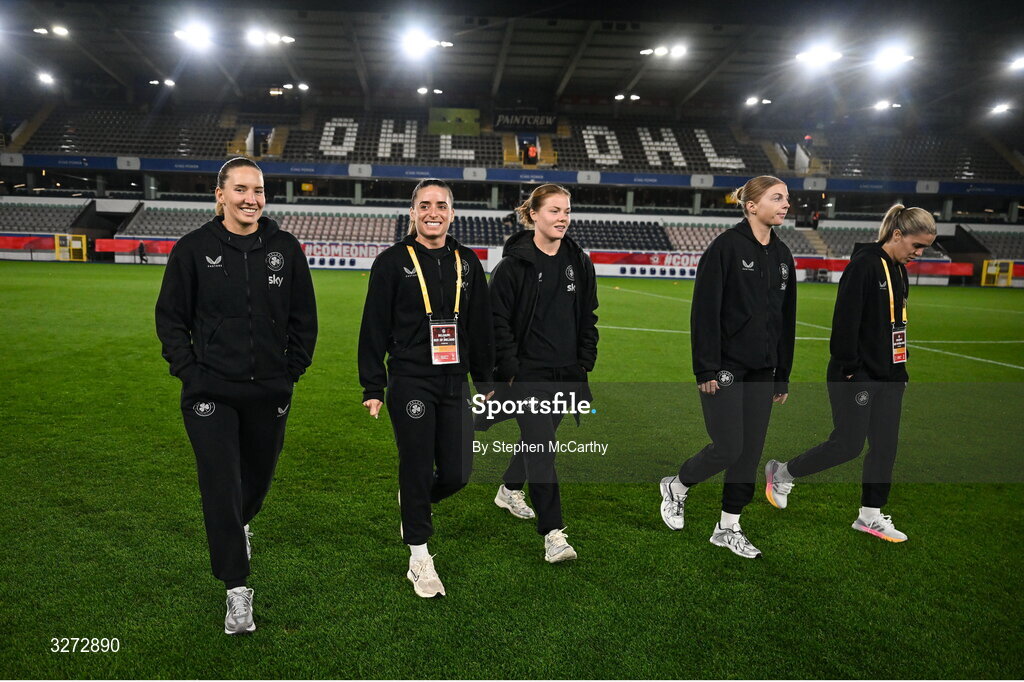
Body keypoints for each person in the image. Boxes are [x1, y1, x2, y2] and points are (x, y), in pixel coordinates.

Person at [155, 157, 318, 634]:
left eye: (259, 190)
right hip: (211, 392)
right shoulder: (192, 249)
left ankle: (242, 521)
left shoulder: (285, 248)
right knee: (221, 485)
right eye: (242, 189)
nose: (252, 199)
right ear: (220, 194)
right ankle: (236, 589)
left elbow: (303, 318)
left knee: (256, 481)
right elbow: (170, 319)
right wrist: (191, 372)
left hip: (269, 389)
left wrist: (289, 371)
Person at [764, 205, 936, 542]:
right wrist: (849, 368)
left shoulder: (899, 270)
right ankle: (782, 473)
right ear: (897, 234)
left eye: (924, 248)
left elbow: (894, 323)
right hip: (855, 374)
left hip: (890, 375)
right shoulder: (864, 266)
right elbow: (845, 321)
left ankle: (869, 516)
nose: (919, 253)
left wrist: (900, 368)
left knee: (885, 446)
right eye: (917, 245)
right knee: (848, 444)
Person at [358, 178, 493, 598]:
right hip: (410, 378)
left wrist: (485, 381)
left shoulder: (468, 262)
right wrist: (373, 386)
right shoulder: (392, 261)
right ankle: (419, 555)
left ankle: (414, 500)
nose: (433, 212)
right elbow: (373, 327)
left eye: (441, 205)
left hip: (454, 380)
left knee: (457, 472)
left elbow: (481, 326)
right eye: (424, 205)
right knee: (416, 463)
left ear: (452, 213)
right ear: (412, 211)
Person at [659, 175, 796, 558]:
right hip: (725, 367)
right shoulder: (726, 248)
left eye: (787, 199)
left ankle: (728, 526)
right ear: (752, 205)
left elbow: (787, 320)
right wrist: (705, 368)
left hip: (763, 371)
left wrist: (781, 372)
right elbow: (704, 312)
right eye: (777, 198)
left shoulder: (783, 256)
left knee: (750, 452)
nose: (786, 205)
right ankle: (677, 485)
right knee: (729, 446)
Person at [480, 183, 598, 563]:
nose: (563, 217)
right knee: (541, 448)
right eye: (554, 211)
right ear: (533, 215)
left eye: (567, 211)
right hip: (525, 374)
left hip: (566, 374)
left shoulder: (579, 261)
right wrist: (507, 371)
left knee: (537, 440)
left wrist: (584, 362)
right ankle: (554, 534)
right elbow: (494, 323)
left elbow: (588, 317)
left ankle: (509, 488)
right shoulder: (512, 265)